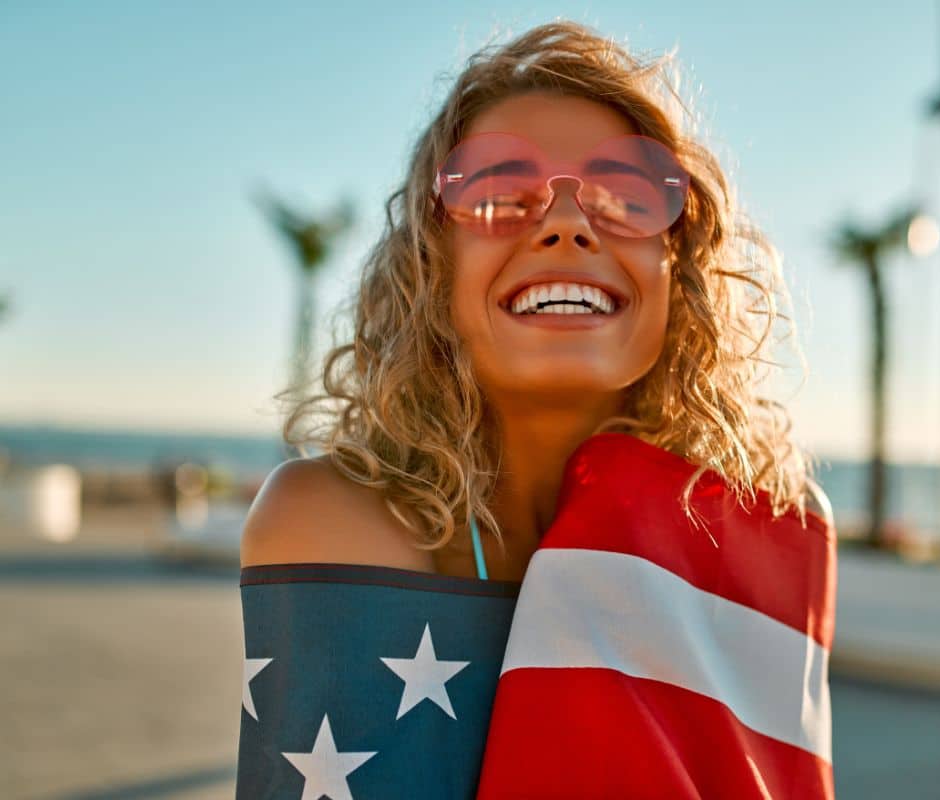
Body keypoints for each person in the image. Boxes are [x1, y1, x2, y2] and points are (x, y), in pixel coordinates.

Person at [237, 19, 834, 799]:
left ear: (676, 271)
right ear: (432, 268)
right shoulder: (331, 522)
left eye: (624, 195)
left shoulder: (772, 536)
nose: (564, 222)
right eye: (496, 194)